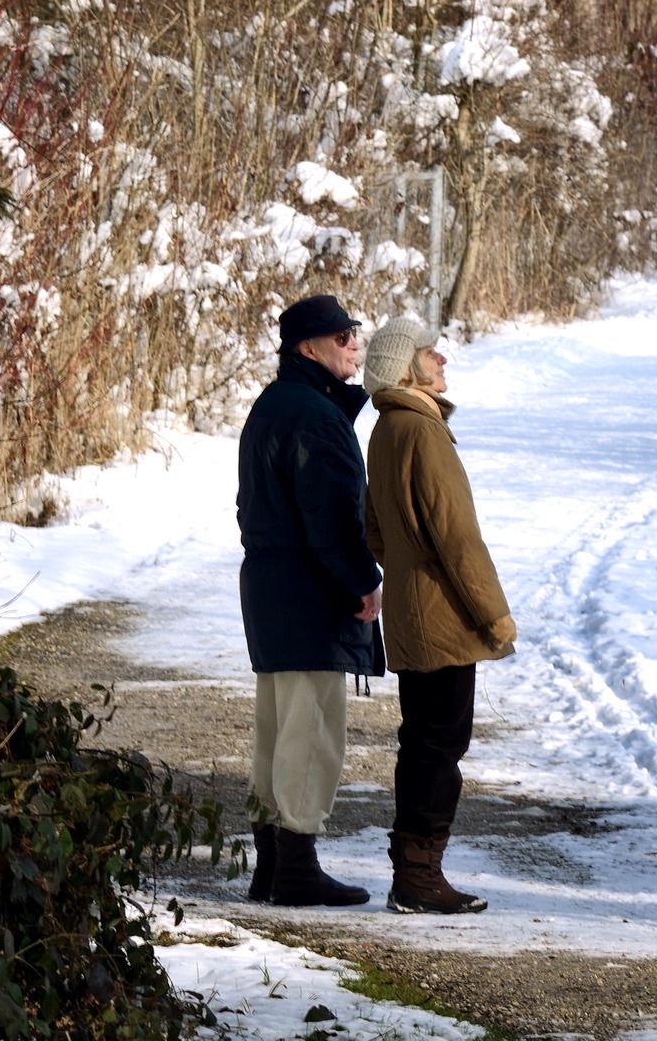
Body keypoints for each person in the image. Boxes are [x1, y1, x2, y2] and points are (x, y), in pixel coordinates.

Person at [363, 315, 516, 915]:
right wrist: (494, 617)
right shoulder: (422, 432)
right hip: (444, 619)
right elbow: (458, 540)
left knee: (424, 739)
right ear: (407, 366)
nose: (443, 360)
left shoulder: (385, 429)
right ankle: (420, 877)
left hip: (410, 611)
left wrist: (405, 575)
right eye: (431, 353)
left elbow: (377, 533)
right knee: (439, 743)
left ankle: (415, 875)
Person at [236, 293, 384, 907]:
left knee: (277, 727)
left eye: (354, 332)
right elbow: (330, 516)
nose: (355, 342)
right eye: (343, 334)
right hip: (309, 592)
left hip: (274, 588)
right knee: (311, 730)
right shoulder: (314, 416)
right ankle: (295, 863)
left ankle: (273, 865)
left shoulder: (276, 405)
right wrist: (360, 580)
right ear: (308, 347)